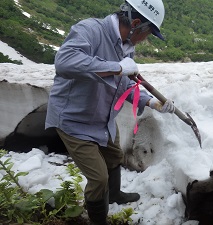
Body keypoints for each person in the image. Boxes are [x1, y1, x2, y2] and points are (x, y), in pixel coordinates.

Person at [45, 0, 174, 224]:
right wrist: (117, 67)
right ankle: (98, 220)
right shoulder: (90, 30)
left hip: (103, 118)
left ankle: (114, 195)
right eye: (148, 33)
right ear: (136, 23)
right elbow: (65, 62)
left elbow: (123, 87)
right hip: (74, 121)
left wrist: (152, 102)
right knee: (98, 178)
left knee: (114, 156)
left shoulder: (125, 47)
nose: (146, 39)